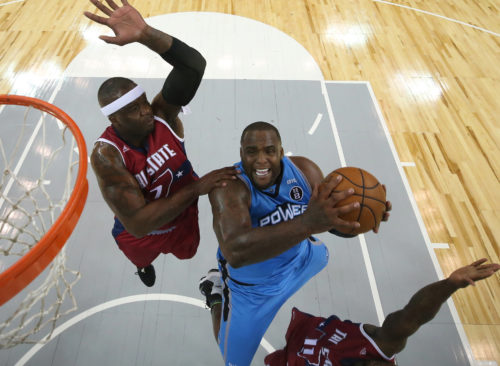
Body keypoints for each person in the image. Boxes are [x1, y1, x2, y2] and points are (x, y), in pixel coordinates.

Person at [199, 121, 391, 366]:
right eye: (251, 152)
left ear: (281, 151)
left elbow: (329, 222)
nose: (260, 160)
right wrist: (307, 223)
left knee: (322, 254)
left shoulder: (304, 172)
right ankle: (215, 294)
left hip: (301, 260)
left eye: (269, 151)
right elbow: (236, 252)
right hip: (253, 291)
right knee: (234, 361)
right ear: (241, 154)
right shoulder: (229, 188)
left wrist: (364, 216)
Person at [85, 0, 237, 287]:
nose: (145, 111)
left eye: (143, 102)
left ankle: (163, 255)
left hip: (181, 219)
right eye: (133, 109)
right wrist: (197, 188)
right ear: (114, 120)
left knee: (187, 254)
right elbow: (139, 224)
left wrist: (145, 34)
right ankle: (143, 267)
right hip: (140, 232)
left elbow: (193, 66)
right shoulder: (107, 156)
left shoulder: (161, 116)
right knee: (141, 258)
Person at [263, 258, 500, 366]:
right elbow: (412, 316)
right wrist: (450, 285)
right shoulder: (381, 344)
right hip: (305, 332)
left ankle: (222, 298)